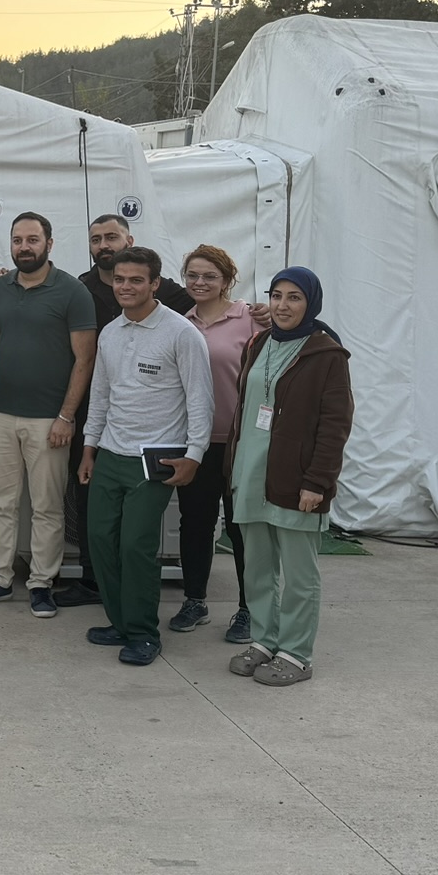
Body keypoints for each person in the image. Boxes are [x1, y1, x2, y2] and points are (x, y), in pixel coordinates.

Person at [78, 246, 214, 666]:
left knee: (136, 546)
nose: (126, 287)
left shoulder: (182, 334)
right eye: (120, 279)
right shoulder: (110, 332)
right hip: (109, 451)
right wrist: (89, 448)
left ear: (155, 283)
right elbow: (100, 395)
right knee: (100, 540)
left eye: (136, 280)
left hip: (154, 457)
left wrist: (194, 454)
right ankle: (120, 622)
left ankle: (142, 634)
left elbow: (201, 400)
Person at [54, 211, 194, 605]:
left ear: (128, 242)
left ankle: (138, 599)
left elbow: (207, 302)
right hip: (95, 415)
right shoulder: (79, 289)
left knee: (137, 527)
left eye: (111, 237)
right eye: (96, 239)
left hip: (152, 429)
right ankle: (94, 580)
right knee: (90, 503)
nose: (104, 245)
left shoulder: (164, 291)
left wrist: (251, 310)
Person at [225, 268, 353, 687]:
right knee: (257, 568)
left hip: (297, 480)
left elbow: (335, 426)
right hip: (251, 473)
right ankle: (265, 641)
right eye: (276, 295)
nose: (282, 305)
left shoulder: (327, 355)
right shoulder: (258, 343)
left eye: (294, 297)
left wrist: (317, 481)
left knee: (299, 574)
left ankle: (296, 654)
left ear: (310, 302)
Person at [0, 212, 97, 617]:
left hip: (49, 419)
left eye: (32, 240)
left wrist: (66, 416)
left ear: (49, 244)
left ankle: (42, 582)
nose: (24, 247)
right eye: (17, 240)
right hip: (0, 414)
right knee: (0, 502)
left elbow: (85, 359)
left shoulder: (73, 292)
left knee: (46, 506)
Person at [174, 244, 261, 642]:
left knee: (242, 527)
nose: (200, 282)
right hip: (196, 442)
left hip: (240, 442)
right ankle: (195, 600)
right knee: (194, 522)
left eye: (209, 276)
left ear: (227, 280)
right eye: (193, 275)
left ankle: (249, 608)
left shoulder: (251, 319)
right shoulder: (180, 322)